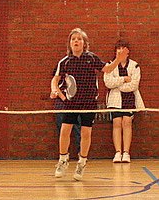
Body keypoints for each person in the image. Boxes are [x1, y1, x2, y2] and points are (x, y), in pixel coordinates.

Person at [50, 28, 125, 181]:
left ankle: (82, 162)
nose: (76, 41)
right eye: (73, 39)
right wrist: (56, 91)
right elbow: (55, 80)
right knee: (65, 130)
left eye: (79, 39)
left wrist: (118, 60)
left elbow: (107, 69)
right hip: (71, 102)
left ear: (84, 43)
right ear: (70, 43)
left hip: (89, 102)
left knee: (86, 133)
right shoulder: (65, 62)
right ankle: (63, 160)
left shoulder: (91, 58)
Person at [103, 39, 144, 163]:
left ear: (128, 52)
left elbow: (134, 85)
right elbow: (108, 83)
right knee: (117, 123)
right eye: (118, 49)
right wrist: (123, 79)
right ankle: (118, 152)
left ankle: (126, 153)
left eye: (123, 48)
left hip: (129, 99)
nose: (120, 51)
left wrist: (118, 86)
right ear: (115, 51)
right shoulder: (109, 65)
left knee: (127, 122)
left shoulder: (135, 65)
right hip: (115, 100)